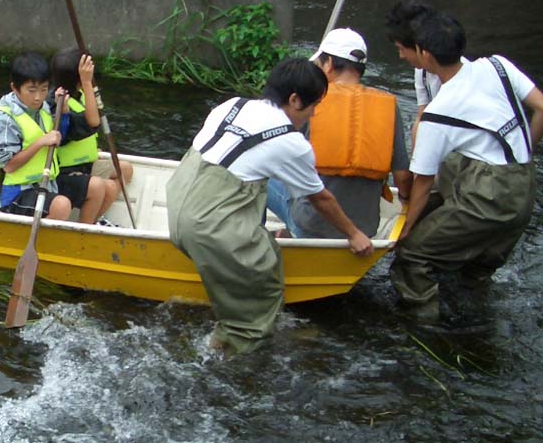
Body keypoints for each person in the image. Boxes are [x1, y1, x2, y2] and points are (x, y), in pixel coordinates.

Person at [166, 57, 374, 354]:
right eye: (314, 106)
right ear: (294, 99)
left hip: (178, 201)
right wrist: (353, 234)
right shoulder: (291, 142)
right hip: (207, 223)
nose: (313, 114)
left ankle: (250, 324)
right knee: (260, 292)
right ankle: (229, 355)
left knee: (263, 250)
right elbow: (320, 198)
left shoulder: (232, 105)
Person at [390, 12, 543, 319]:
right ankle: (478, 325)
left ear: (425, 54)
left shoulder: (438, 113)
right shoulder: (498, 65)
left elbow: (423, 184)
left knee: (413, 256)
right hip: (524, 184)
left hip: (487, 196)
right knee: (475, 271)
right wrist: (521, 154)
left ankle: (426, 330)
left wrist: (407, 230)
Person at [266, 28, 412, 238]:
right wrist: (406, 200)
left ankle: (258, 241)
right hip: (365, 229)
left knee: (255, 173)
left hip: (310, 225)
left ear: (329, 64)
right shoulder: (389, 106)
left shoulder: (311, 101)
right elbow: (402, 177)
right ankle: (290, 234)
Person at [48, 47, 133, 225]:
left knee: (124, 169)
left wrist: (86, 83)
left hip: (85, 165)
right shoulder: (58, 103)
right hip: (64, 172)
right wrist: (87, 82)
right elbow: (93, 122)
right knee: (103, 186)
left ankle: (94, 220)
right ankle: (85, 227)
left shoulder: (79, 95)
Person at [0, 52, 71, 221]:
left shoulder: (43, 106)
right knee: (61, 204)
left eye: (44, 89)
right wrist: (40, 142)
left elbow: (55, 139)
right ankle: (45, 245)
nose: (38, 97)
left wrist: (64, 114)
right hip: (15, 194)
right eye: (31, 91)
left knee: (89, 188)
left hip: (44, 184)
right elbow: (8, 166)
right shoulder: (5, 118)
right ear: (15, 88)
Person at [385, 0, 455, 145]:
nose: (401, 56)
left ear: (419, 47)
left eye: (401, 49)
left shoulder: (456, 79)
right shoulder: (422, 72)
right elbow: (421, 118)